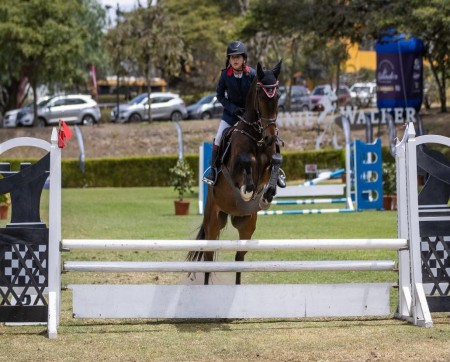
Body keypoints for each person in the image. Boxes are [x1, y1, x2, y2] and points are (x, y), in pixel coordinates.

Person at [202, 41, 286, 188]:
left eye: (238, 57)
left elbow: (260, 94)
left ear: (244, 59)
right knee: (219, 136)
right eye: (232, 57)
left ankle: (276, 171)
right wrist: (232, 108)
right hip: (231, 113)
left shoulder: (253, 74)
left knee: (271, 134)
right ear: (228, 59)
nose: (235, 60)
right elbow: (220, 95)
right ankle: (213, 170)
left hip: (252, 114)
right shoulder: (225, 75)